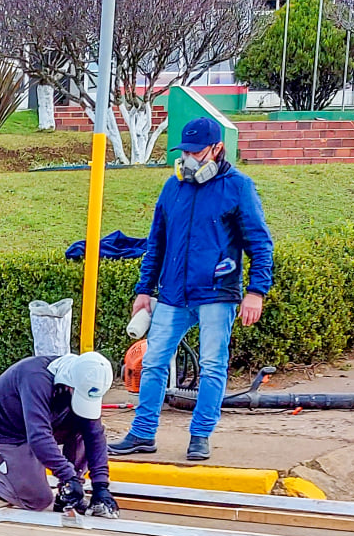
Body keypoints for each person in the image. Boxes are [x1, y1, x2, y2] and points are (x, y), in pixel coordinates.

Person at [109, 115, 274, 463]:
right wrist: (144, 289)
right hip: (172, 294)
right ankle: (142, 433)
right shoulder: (173, 188)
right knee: (153, 362)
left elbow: (260, 244)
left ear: (217, 149)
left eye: (196, 151)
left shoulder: (238, 187)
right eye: (185, 150)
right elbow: (157, 243)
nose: (189, 157)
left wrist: (255, 291)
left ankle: (200, 436)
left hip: (218, 294)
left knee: (214, 366)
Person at [0, 350, 119, 516]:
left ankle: (68, 495)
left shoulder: (84, 379)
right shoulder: (35, 378)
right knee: (37, 499)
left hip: (34, 430)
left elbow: (94, 436)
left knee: (84, 427)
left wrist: (101, 486)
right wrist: (67, 475)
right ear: (69, 383)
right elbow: (39, 436)